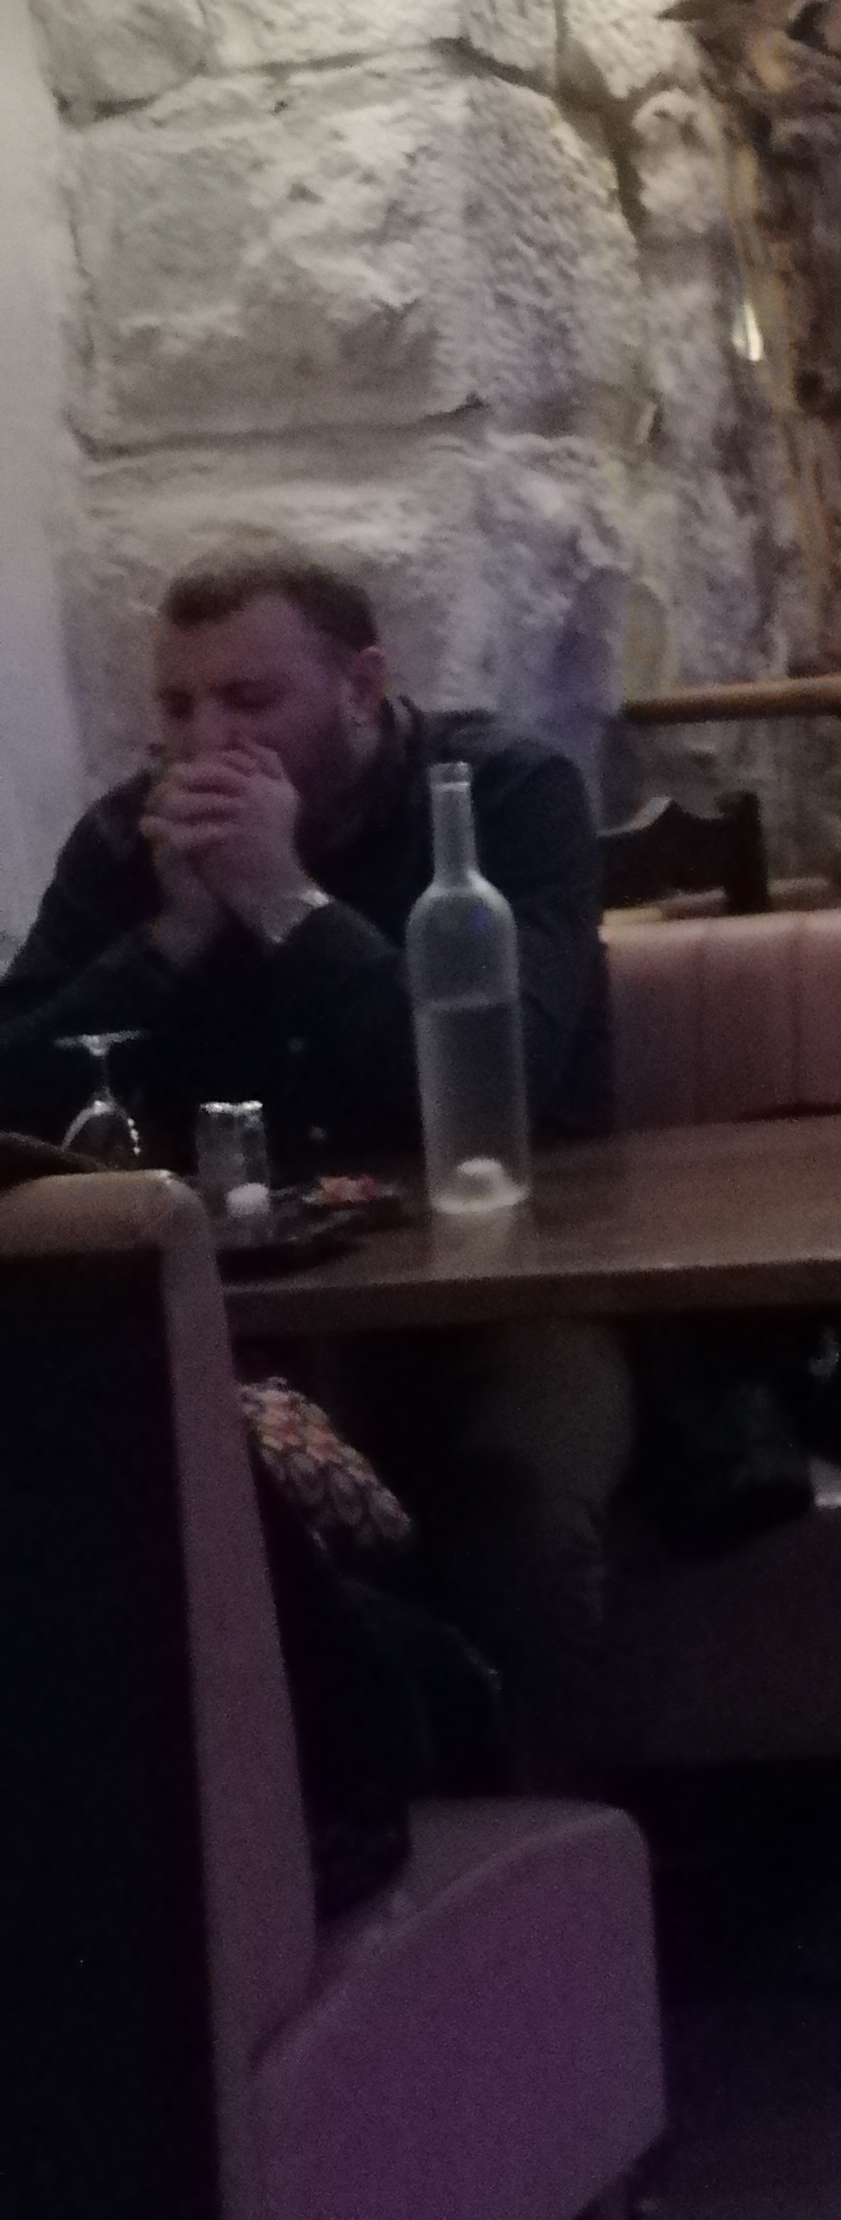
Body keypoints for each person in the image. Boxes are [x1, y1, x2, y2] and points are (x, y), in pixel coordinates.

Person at [0, 548, 625, 1753]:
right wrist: (177, 934)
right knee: (112, 1509)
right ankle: (307, 1840)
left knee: (521, 1503)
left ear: (362, 683)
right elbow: (14, 1099)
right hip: (248, 1310)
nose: (203, 741)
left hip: (514, 1282)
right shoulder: (130, 841)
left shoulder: (500, 795)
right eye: (178, 705)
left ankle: (555, 1834)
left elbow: (502, 1079)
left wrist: (285, 900)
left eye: (249, 698)